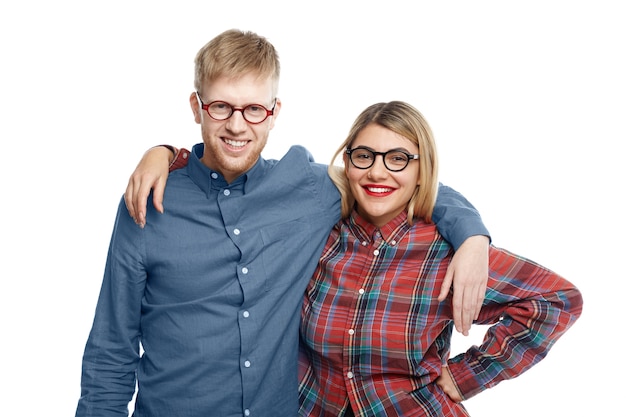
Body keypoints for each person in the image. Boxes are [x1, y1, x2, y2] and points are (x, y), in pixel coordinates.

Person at [76, 30, 491, 417]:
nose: (237, 125)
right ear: (196, 107)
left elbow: (391, 181)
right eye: (220, 106)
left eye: (254, 109)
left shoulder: (309, 188)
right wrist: (163, 151)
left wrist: (472, 235)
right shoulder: (150, 198)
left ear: (274, 113)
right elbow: (111, 349)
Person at [296, 101, 583, 416]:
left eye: (398, 159)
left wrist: (466, 376)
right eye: (364, 156)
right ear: (348, 164)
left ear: (423, 171)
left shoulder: (447, 250)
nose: (377, 172)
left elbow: (557, 300)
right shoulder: (321, 236)